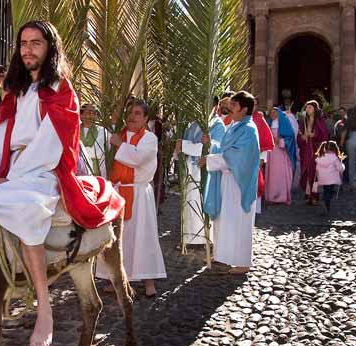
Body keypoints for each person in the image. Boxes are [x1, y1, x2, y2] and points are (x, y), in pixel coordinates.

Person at [0, 21, 124, 346]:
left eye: (36, 43)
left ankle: (44, 308)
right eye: (23, 43)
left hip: (45, 171)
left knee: (27, 208)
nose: (28, 49)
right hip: (13, 168)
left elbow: (53, 141)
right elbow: (1, 133)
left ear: (50, 48)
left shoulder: (61, 90)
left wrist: (11, 179)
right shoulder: (16, 91)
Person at [96, 100, 166, 296]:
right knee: (119, 238)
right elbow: (105, 162)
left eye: (137, 113)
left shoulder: (149, 138)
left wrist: (120, 145)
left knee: (144, 236)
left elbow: (137, 159)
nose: (132, 117)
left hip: (139, 193)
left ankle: (148, 280)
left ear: (145, 118)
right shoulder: (117, 135)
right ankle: (115, 278)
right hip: (118, 191)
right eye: (130, 113)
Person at [199, 91, 260, 275]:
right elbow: (224, 148)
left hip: (239, 184)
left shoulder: (248, 129)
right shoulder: (235, 125)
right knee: (225, 220)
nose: (230, 108)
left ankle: (242, 262)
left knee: (238, 222)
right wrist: (210, 144)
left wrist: (209, 160)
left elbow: (237, 157)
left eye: (234, 105)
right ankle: (223, 255)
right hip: (227, 181)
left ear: (244, 109)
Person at [174, 100, 227, 246]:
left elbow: (214, 149)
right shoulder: (193, 124)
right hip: (190, 168)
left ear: (214, 106)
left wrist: (184, 145)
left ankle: (204, 238)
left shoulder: (217, 125)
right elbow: (182, 143)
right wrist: (179, 148)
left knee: (201, 200)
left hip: (206, 171)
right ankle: (189, 237)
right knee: (190, 201)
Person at [297, 100, 329, 205]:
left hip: (316, 150)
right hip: (306, 150)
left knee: (315, 173)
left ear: (315, 109)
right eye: (306, 107)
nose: (307, 109)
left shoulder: (320, 121)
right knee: (307, 172)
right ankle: (308, 195)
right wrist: (302, 137)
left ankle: (314, 196)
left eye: (309, 107)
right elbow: (299, 136)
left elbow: (324, 134)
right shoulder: (303, 121)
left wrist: (314, 136)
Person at [265, 107, 296, 205]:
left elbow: (290, 137)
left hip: (282, 153)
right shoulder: (268, 124)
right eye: (271, 112)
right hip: (271, 153)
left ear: (279, 113)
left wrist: (281, 141)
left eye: (275, 112)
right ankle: (272, 196)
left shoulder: (285, 124)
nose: (273, 114)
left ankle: (282, 196)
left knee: (281, 173)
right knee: (272, 174)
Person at [252, 99, 275, 213]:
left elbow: (265, 138)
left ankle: (256, 209)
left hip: (256, 156)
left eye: (255, 104)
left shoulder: (259, 119)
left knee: (256, 181)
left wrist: (262, 158)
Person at [79, 103, 110, 178]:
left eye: (94, 113)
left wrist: (79, 151)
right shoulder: (75, 130)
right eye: (89, 112)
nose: (91, 116)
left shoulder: (102, 131)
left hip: (97, 174)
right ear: (81, 115)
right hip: (78, 173)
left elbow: (98, 152)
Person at [315, 140, 345, 214]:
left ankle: (326, 207)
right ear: (335, 149)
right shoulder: (334, 158)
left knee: (326, 191)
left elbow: (317, 169)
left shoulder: (320, 158)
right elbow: (340, 169)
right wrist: (343, 166)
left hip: (322, 179)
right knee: (329, 193)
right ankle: (324, 202)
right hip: (331, 179)